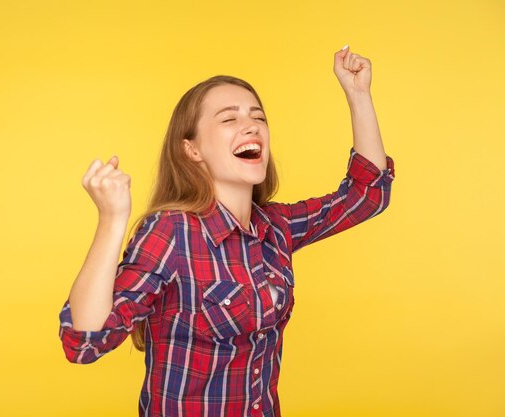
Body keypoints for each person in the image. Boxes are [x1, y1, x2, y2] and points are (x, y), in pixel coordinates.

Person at [58, 44, 396, 417]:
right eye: (228, 118)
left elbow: (367, 196)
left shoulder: (275, 228)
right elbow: (85, 342)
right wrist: (111, 220)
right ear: (192, 150)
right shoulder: (171, 232)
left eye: (258, 117)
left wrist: (358, 94)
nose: (251, 125)